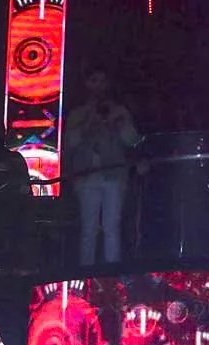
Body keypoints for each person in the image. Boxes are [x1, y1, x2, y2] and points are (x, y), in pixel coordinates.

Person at [64, 66, 140, 266]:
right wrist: (87, 124)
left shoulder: (119, 111)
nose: (98, 86)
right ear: (86, 84)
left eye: (102, 81)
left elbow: (132, 140)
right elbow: (70, 143)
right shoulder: (77, 114)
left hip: (113, 175)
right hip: (86, 175)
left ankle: (112, 274)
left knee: (111, 227)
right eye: (94, 81)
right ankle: (85, 273)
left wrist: (120, 124)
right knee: (88, 229)